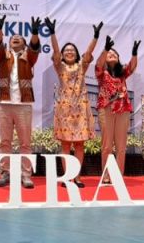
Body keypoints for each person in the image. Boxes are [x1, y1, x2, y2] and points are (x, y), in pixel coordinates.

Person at [0, 14, 41, 189]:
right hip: (4, 103)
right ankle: (5, 172)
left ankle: (25, 174)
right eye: (13, 37)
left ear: (24, 44)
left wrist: (34, 33)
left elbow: (34, 48)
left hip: (24, 105)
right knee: (5, 142)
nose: (16, 38)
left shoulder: (29, 57)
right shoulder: (2, 56)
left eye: (19, 38)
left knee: (25, 143)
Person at [47, 18, 95, 188]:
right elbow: (56, 52)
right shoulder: (59, 66)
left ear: (76, 53)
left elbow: (88, 54)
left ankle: (78, 177)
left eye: (72, 50)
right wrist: (53, 34)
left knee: (80, 145)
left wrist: (95, 37)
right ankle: (67, 177)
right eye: (66, 50)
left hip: (81, 109)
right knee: (66, 145)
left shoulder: (82, 66)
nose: (69, 52)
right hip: (65, 110)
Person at [95, 30, 140, 181]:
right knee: (107, 145)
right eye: (110, 53)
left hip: (123, 109)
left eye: (115, 53)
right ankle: (106, 175)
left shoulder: (123, 73)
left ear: (119, 58)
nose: (112, 54)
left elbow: (132, 67)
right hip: (106, 108)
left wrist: (134, 54)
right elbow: (98, 63)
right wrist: (105, 49)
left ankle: (119, 175)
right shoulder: (101, 73)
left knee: (121, 146)